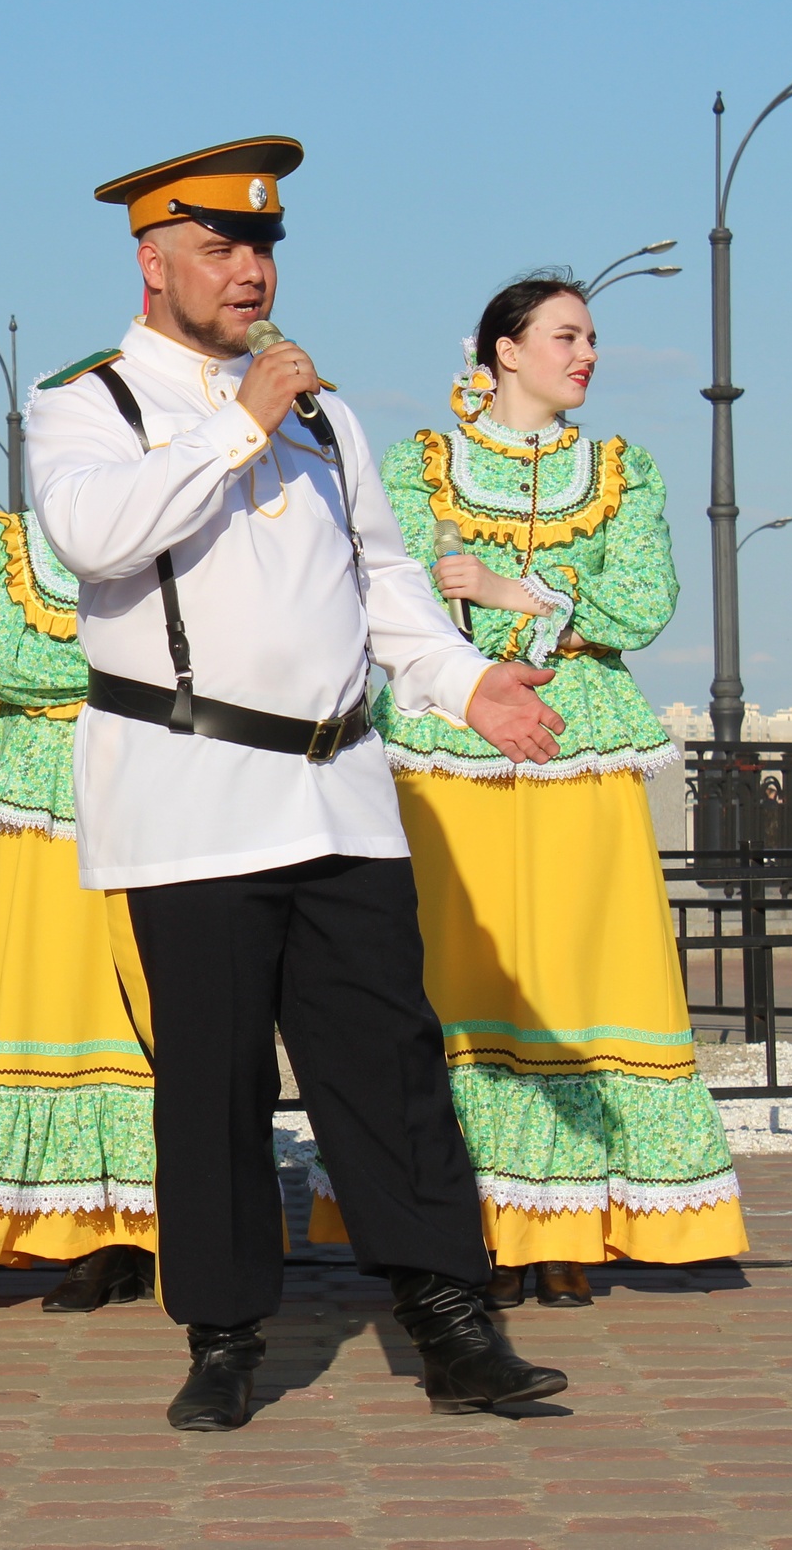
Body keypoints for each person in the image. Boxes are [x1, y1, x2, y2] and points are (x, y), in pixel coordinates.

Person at [23, 138, 571, 1431]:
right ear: (152, 262)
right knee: (210, 1078)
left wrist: (462, 681)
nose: (251, 271)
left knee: (389, 1059)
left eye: (263, 247)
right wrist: (239, 422)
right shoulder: (88, 401)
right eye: (220, 248)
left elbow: (383, 582)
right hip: (190, 786)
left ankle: (449, 1316)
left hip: (340, 788)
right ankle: (224, 1334)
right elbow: (92, 537)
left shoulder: (325, 415)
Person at [309, 276, 746, 1308]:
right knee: (457, 977)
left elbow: (643, 601)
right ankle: (469, 1225)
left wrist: (519, 591)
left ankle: (576, 1224)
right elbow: (407, 581)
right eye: (566, 335)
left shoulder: (620, 468)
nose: (586, 353)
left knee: (587, 971)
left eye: (592, 337)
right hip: (451, 739)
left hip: (579, 744)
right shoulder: (422, 462)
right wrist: (544, 606)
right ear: (504, 349)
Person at [0, 509, 160, 1308]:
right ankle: (74, 1226)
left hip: (151, 781)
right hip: (47, 790)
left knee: (148, 1002)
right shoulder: (2, 543)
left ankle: (147, 1224)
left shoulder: (179, 518)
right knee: (52, 1000)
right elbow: (15, 662)